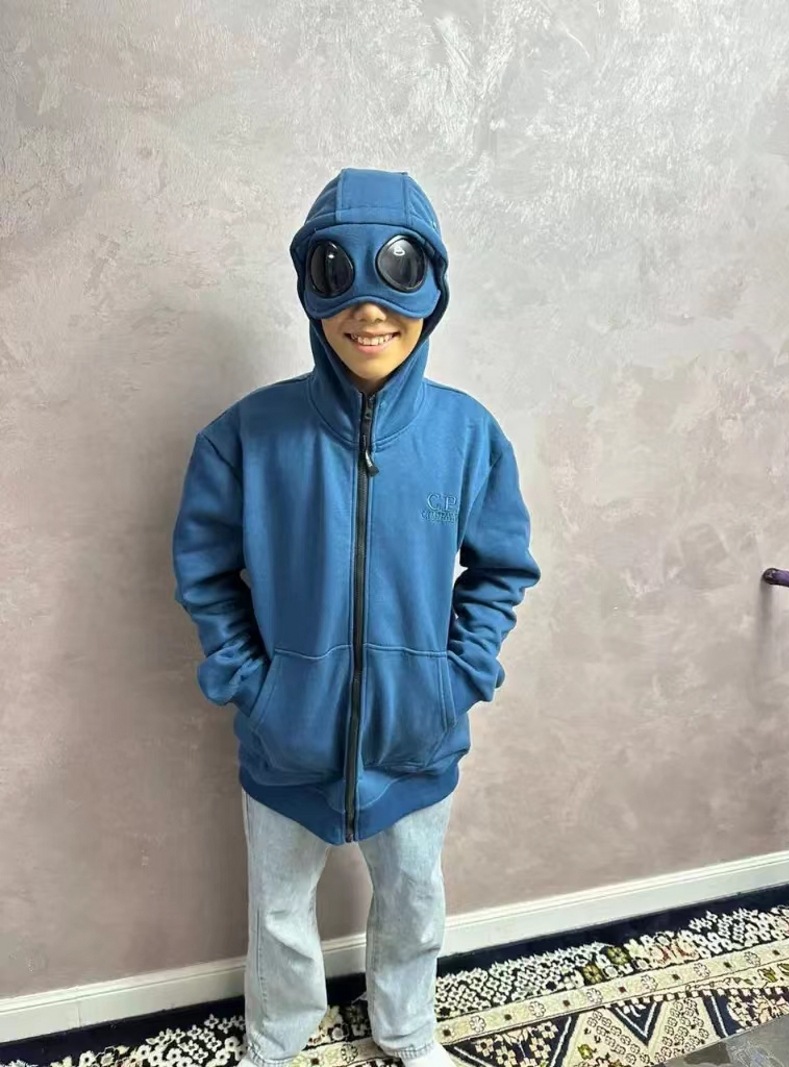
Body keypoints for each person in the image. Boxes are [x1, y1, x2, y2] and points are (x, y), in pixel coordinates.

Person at [171, 167, 542, 1067]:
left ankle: (408, 1032)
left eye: (397, 275)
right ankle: (277, 1038)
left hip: (417, 736)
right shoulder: (245, 437)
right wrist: (256, 688)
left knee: (414, 900)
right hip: (284, 738)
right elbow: (206, 574)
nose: (369, 311)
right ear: (311, 285)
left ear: (432, 288)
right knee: (277, 907)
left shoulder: (467, 436)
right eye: (340, 276)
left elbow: (501, 568)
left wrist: (455, 678)